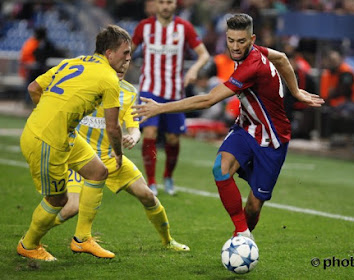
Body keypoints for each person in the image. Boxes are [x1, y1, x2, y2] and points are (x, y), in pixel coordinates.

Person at [133, 14, 324, 239]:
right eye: (231, 40)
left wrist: (160, 108)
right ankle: (241, 234)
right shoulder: (255, 51)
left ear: (251, 39)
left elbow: (208, 100)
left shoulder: (251, 66)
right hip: (245, 128)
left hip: (272, 138)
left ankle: (243, 234)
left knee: (253, 207)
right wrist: (296, 91)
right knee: (220, 169)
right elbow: (281, 58)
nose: (235, 46)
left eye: (241, 41)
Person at [17, 25, 131, 261]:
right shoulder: (109, 78)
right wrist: (118, 155)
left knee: (98, 172)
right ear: (109, 53)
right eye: (125, 53)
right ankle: (28, 245)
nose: (129, 58)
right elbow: (113, 126)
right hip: (47, 139)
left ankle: (82, 240)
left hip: (61, 133)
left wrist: (50, 113)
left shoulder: (75, 61)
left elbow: (34, 87)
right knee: (58, 199)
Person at [55, 61, 189, 252]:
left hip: (110, 157)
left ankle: (168, 241)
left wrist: (133, 138)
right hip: (79, 156)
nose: (124, 64)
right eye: (121, 58)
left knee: (148, 195)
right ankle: (33, 238)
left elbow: (134, 128)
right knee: (71, 207)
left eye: (128, 60)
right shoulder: (88, 83)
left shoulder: (129, 92)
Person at [131, 0, 210, 196]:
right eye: (162, 2)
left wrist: (193, 69)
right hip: (149, 89)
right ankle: (151, 181)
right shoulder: (144, 27)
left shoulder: (184, 27)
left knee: (173, 139)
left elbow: (204, 55)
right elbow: (128, 50)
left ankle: (168, 176)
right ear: (155, 5)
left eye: (170, 2)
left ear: (175, 5)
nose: (166, 6)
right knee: (150, 133)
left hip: (174, 93)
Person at [320, 49, 354, 138]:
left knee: (337, 111)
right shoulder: (328, 73)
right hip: (333, 102)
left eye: (333, 60)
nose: (331, 63)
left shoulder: (346, 72)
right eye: (329, 60)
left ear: (340, 59)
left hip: (353, 102)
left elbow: (344, 92)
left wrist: (332, 93)